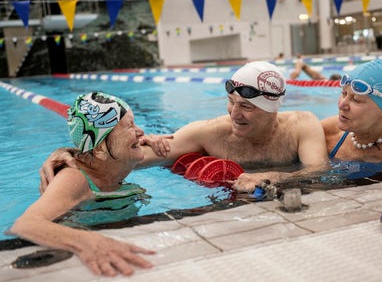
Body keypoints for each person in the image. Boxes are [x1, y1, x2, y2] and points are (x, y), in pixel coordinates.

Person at [39, 62, 329, 193]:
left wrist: (273, 176)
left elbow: (320, 171)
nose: (234, 114)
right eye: (231, 102)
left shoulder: (302, 126)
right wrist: (72, 155)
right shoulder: (208, 133)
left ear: (271, 109)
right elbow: (127, 157)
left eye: (247, 107)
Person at [9, 92, 155, 277]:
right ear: (101, 148)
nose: (140, 131)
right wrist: (87, 242)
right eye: (129, 126)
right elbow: (26, 224)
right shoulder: (74, 177)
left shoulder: (113, 164)